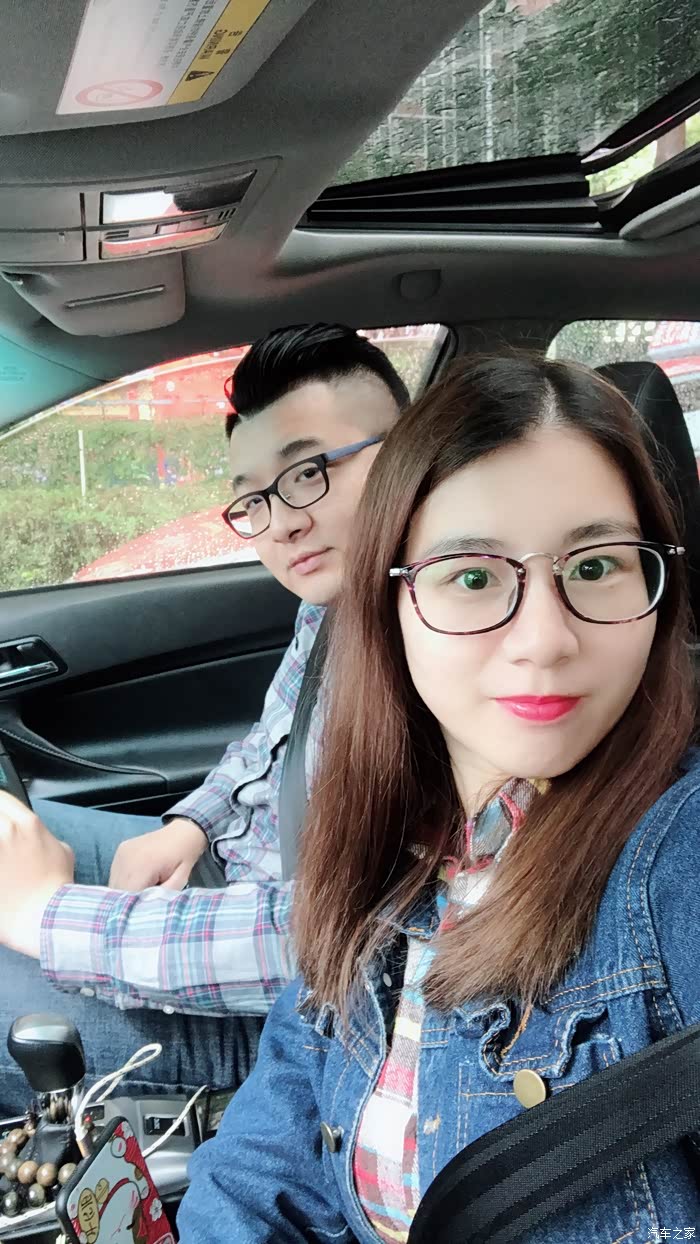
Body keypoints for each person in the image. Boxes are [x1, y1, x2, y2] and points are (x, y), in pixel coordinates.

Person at [178, 353, 699, 1242]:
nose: (545, 640)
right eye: (473, 576)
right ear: (388, 603)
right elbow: (263, 1165)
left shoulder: (673, 860)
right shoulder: (388, 842)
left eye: (596, 567)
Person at [0, 323, 408, 1115]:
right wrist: (190, 826)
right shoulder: (334, 604)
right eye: (254, 498)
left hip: (289, 1010)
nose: (281, 523)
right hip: (228, 879)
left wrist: (44, 916)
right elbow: (267, 744)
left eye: (309, 473)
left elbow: (342, 939)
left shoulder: (451, 655)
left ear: (412, 450)